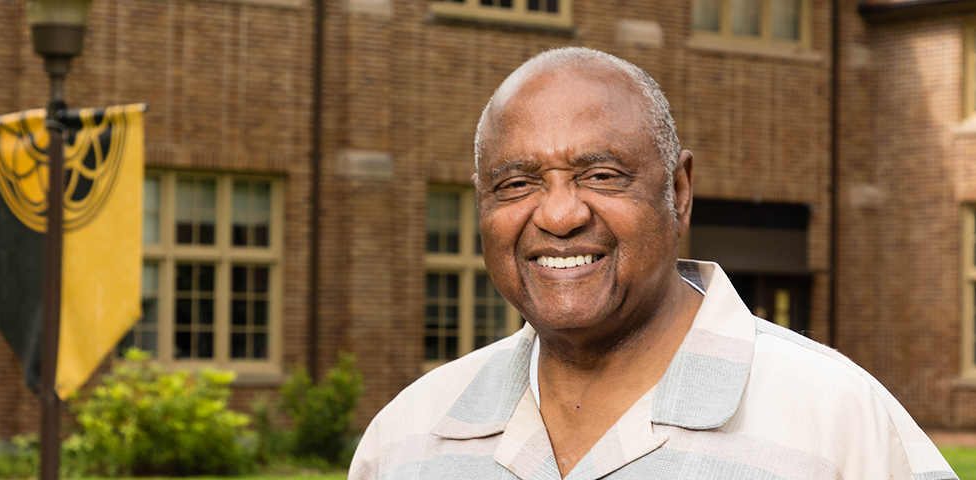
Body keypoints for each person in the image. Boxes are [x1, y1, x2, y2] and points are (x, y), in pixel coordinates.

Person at [347, 47, 957, 480]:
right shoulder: (404, 440)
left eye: (601, 175)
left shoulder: (837, 424)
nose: (559, 215)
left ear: (679, 191)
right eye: (517, 183)